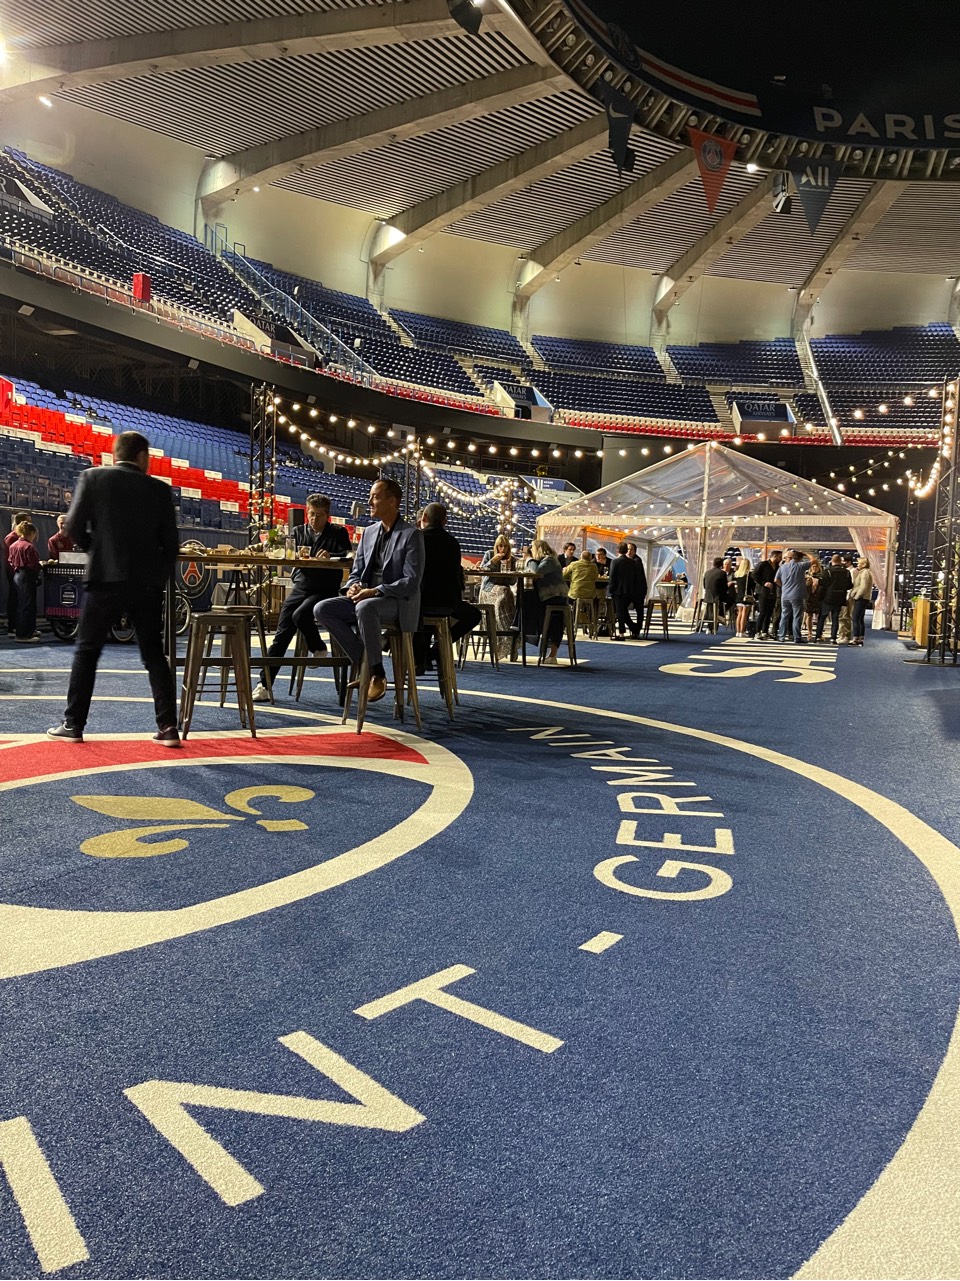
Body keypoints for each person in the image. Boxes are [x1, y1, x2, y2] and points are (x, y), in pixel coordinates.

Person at [47, 430, 180, 746]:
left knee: (87, 652)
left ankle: (73, 724)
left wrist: (98, 550)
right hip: (146, 584)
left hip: (105, 578)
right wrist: (156, 577)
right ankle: (168, 728)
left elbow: (73, 526)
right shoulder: (160, 490)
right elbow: (171, 545)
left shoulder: (92, 478)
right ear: (143, 457)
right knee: (154, 656)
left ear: (115, 453)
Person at [314, 477, 423, 703]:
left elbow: (411, 581)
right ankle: (366, 661)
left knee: (365, 607)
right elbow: (357, 571)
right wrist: (351, 587)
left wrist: (375, 591)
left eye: (375, 497)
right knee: (322, 609)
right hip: (366, 599)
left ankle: (378, 674)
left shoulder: (412, 534)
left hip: (397, 601)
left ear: (392, 501)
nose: (369, 501)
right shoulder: (369, 532)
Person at [252, 493, 351, 703]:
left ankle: (318, 647)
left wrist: (331, 557)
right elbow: (285, 556)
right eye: (312, 514)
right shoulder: (297, 532)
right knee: (282, 633)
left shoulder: (338, 532)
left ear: (328, 515)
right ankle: (264, 684)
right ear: (307, 512)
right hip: (301, 586)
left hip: (325, 588)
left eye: (320, 515)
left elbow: (349, 556)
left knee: (300, 615)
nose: (314, 519)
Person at [413, 503, 480, 674]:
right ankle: (437, 649)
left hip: (420, 601)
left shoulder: (416, 539)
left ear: (424, 518)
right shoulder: (453, 543)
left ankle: (420, 656)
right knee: (474, 615)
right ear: (445, 521)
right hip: (448, 603)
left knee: (415, 613)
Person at [478, 533, 518, 660]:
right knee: (505, 596)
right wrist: (494, 560)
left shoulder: (512, 559)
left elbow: (512, 582)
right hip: (489, 589)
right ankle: (509, 642)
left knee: (506, 597)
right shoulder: (489, 554)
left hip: (504, 590)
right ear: (496, 546)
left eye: (505, 546)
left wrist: (510, 569)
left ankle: (508, 641)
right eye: (500, 546)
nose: (503, 549)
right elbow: (482, 570)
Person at [529, 538, 567, 665]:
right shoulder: (547, 560)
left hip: (555, 596)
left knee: (554, 622)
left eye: (533, 549)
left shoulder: (550, 560)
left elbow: (537, 571)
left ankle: (552, 654)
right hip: (550, 596)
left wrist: (529, 560)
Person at [8, 521, 42, 642]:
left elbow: (10, 561)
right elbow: (33, 564)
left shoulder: (13, 545)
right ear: (31, 533)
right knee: (28, 605)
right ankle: (24, 635)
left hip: (17, 575)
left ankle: (22, 630)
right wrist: (41, 565)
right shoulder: (29, 546)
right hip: (27, 576)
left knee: (21, 605)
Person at [815, 555, 852, 645]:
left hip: (827, 598)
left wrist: (819, 597)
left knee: (822, 617)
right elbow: (849, 585)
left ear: (832, 561)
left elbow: (822, 585)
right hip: (839, 597)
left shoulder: (827, 571)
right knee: (835, 618)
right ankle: (833, 638)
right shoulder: (846, 572)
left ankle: (818, 636)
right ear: (840, 561)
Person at [4, 510, 30, 636]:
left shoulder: (21, 537)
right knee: (14, 598)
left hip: (17, 571)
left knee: (20, 599)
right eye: (28, 521)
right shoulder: (11, 538)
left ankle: (20, 626)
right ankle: (12, 626)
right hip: (14, 571)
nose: (30, 524)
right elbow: (11, 557)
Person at [775, 549, 808, 643]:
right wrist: (805, 553)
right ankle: (796, 637)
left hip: (785, 595)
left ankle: (781, 636)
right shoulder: (800, 566)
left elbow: (776, 580)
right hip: (797, 595)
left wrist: (784, 586)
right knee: (796, 617)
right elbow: (814, 560)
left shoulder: (782, 567)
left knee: (784, 616)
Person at [563, 549, 600, 630]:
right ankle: (590, 624)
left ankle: (568, 625)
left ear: (580, 557)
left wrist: (571, 576)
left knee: (567, 600)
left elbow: (564, 575)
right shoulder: (594, 566)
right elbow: (595, 577)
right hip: (590, 595)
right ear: (590, 558)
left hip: (576, 593)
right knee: (595, 601)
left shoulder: (574, 564)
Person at [752, 549, 780, 640]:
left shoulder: (777, 566)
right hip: (763, 591)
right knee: (763, 612)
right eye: (779, 557)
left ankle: (765, 631)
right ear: (774, 556)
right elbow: (754, 575)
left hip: (773, 592)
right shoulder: (763, 564)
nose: (780, 559)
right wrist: (764, 583)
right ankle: (757, 631)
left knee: (769, 613)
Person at [850, 556, 874, 646]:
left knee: (855, 618)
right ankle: (860, 638)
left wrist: (856, 596)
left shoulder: (865, 573)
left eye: (859, 563)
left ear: (864, 564)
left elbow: (863, 587)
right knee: (859, 619)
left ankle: (856, 638)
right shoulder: (864, 572)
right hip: (864, 598)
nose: (857, 565)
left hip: (862, 598)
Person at [702, 557, 727, 632]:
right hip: (717, 597)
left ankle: (709, 626)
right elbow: (724, 587)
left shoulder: (707, 572)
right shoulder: (722, 573)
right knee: (730, 601)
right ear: (721, 564)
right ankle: (720, 618)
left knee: (709, 610)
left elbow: (704, 585)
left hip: (707, 596)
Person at [803, 556, 824, 642]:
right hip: (809, 598)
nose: (815, 568)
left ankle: (819, 633)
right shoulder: (806, 577)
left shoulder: (822, 577)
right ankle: (809, 632)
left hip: (819, 597)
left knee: (820, 616)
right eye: (813, 566)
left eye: (816, 566)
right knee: (809, 615)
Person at [733, 553, 753, 638]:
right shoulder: (749, 576)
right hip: (746, 596)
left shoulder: (737, 574)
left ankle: (738, 631)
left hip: (739, 596)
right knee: (745, 614)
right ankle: (742, 631)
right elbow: (752, 586)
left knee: (739, 614)